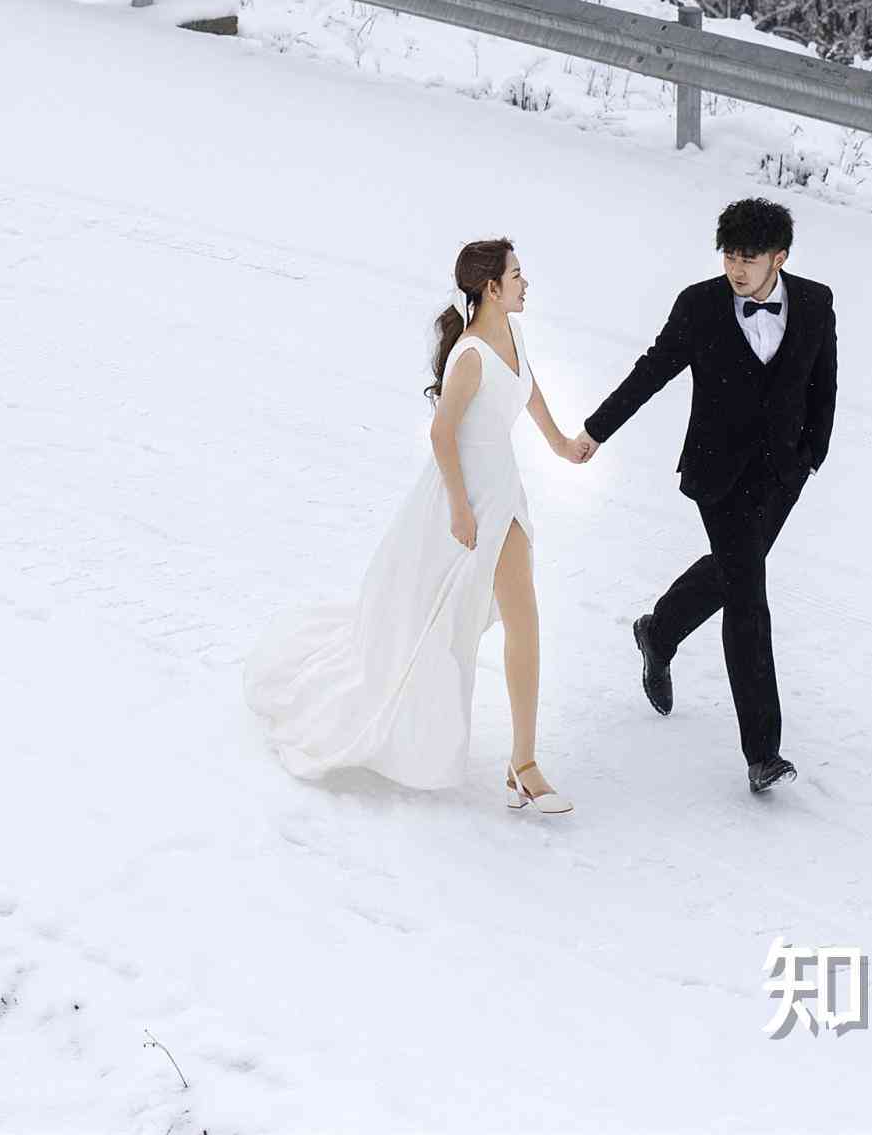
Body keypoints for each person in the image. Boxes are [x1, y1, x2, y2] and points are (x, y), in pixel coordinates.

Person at [245, 238, 595, 812]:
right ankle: (523, 764)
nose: (525, 282)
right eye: (516, 274)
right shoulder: (471, 355)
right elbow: (442, 433)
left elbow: (527, 391)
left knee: (522, 619)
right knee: (469, 622)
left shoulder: (512, 336)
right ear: (491, 288)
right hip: (470, 501)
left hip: (504, 493)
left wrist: (560, 445)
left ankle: (522, 761)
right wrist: (460, 507)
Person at [579, 197, 837, 795]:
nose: (737, 270)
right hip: (717, 475)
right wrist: (594, 432)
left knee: (732, 571)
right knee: (748, 593)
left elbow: (823, 385)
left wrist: (811, 456)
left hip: (781, 477)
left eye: (749, 259)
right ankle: (762, 752)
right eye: (728, 256)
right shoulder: (699, 306)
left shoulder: (818, 303)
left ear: (781, 257)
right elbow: (652, 370)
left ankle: (660, 631)